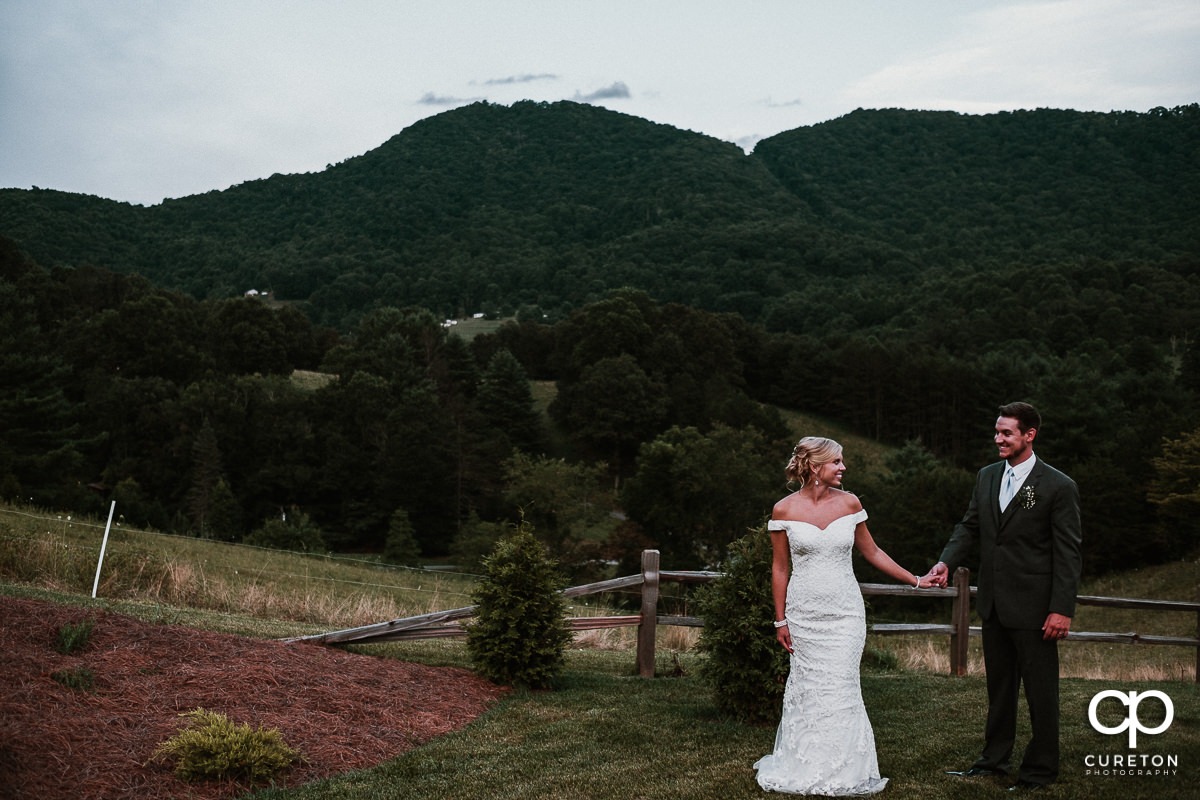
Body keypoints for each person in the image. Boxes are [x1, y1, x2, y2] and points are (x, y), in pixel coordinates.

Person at [754, 436, 933, 795]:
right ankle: (804, 763)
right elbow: (779, 569)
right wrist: (780, 620)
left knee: (840, 686)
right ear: (815, 466)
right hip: (803, 614)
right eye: (836, 462)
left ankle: (846, 768)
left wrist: (917, 580)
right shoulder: (783, 510)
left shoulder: (851, 503)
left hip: (845, 615)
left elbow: (874, 552)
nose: (843, 467)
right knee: (808, 688)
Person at [922, 402, 1082, 792]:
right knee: (1000, 689)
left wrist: (1061, 608)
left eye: (1006, 433)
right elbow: (970, 525)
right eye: (997, 431)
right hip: (993, 604)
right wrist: (945, 561)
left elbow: (1068, 552)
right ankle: (993, 762)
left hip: (1036, 608)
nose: (998, 439)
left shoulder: (1058, 486)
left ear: (1030, 435)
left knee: (1041, 692)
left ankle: (1040, 772)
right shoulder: (987, 476)